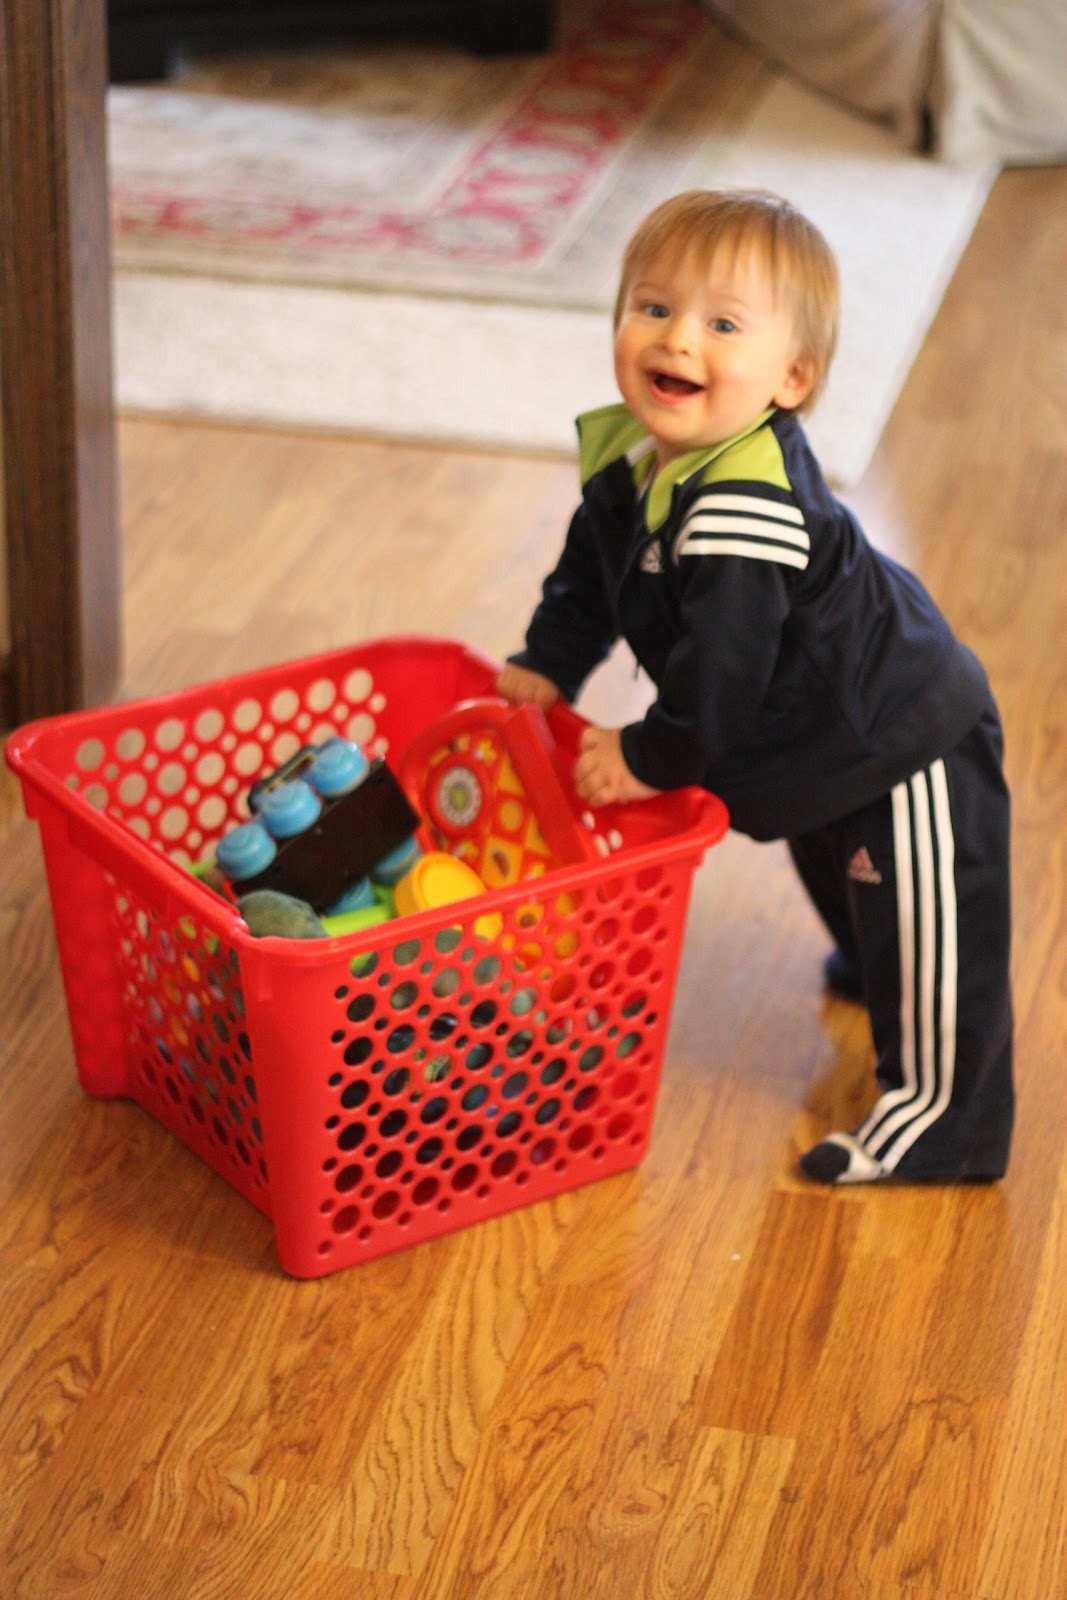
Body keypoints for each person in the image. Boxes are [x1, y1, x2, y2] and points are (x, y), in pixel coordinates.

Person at [497, 188, 1014, 1185]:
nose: (675, 337)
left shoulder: (742, 506)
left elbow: (721, 681)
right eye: (650, 307)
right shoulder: (631, 456)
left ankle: (947, 1122)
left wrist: (644, 755)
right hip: (810, 742)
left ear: (791, 379)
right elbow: (590, 572)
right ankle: (876, 967)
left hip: (896, 736)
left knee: (923, 906)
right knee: (843, 874)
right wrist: (549, 661)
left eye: (720, 324)